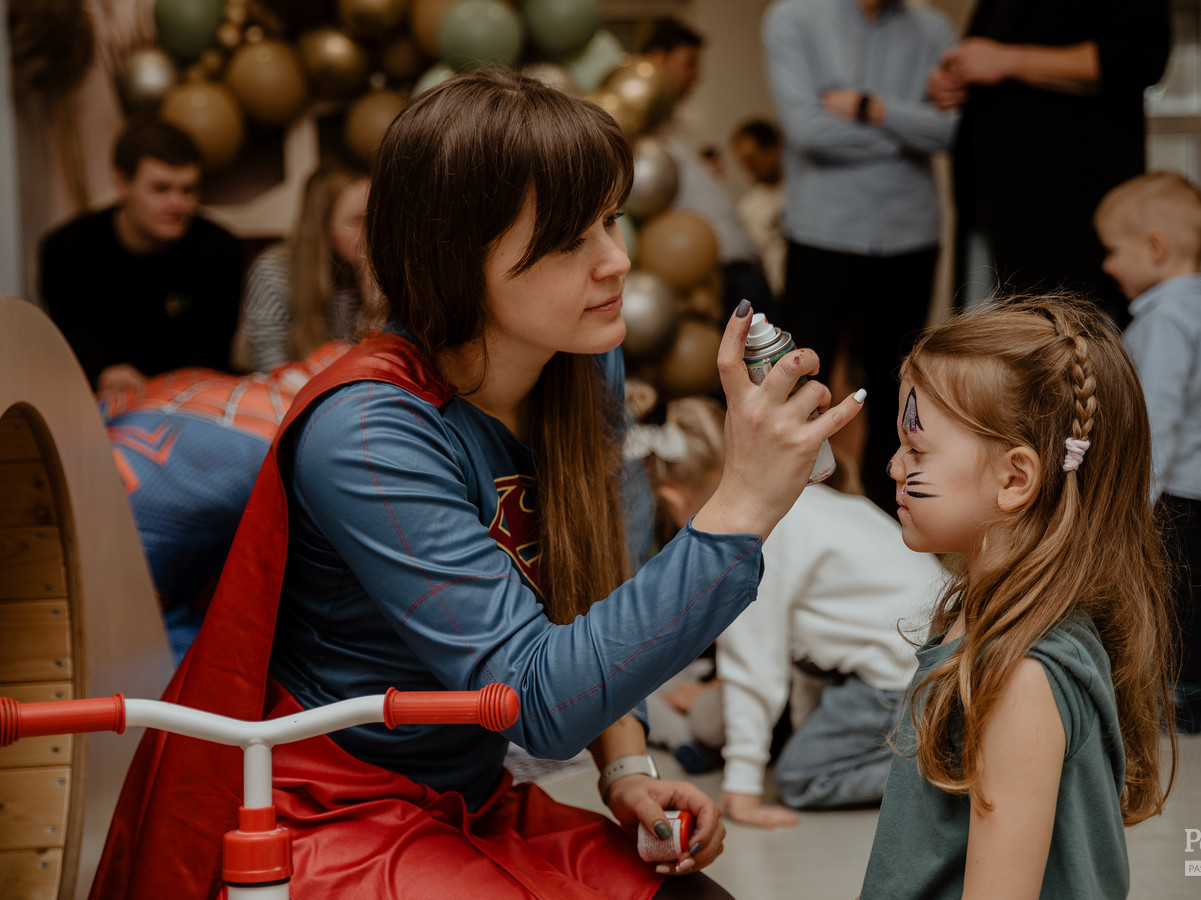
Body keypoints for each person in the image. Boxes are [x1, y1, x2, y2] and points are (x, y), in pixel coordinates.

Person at [90, 70, 864, 900]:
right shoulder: (368, 432)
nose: (617, 260)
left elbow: (588, 590)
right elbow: (535, 702)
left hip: (467, 797)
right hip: (323, 808)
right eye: (569, 240)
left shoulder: (579, 364)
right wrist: (741, 503)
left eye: (611, 220)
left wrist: (626, 769)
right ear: (454, 256)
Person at [860, 295, 1174, 899]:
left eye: (916, 449)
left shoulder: (1020, 675)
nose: (894, 466)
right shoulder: (982, 619)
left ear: (1014, 478)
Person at [637, 397, 944, 828]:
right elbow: (805, 662)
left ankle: (951, 772)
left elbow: (755, 668)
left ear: (671, 497)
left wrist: (741, 788)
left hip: (907, 677)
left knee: (801, 778)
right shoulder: (798, 504)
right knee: (783, 742)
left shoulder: (750, 538)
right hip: (932, 658)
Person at [763, 0, 959, 518]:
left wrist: (871, 108)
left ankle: (893, 523)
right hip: (821, 233)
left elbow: (951, 132)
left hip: (911, 235)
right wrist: (906, 135)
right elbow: (806, 130)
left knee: (902, 389)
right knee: (801, 384)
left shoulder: (934, 29)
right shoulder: (793, 18)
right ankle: (795, 520)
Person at [1094, 173, 1201, 733]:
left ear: (1155, 248)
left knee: (1175, 598)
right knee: (1197, 592)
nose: (1107, 265)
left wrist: (1134, 498)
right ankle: (1198, 688)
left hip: (1170, 489)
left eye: (1114, 250)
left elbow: (1155, 419)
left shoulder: (1164, 323)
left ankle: (1181, 694)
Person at [927, 0, 1171, 326]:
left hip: (1067, 213)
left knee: (1064, 340)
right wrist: (956, 82)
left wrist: (1008, 60)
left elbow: (1138, 56)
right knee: (983, 344)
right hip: (989, 205)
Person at [39, 118, 243, 398]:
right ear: (121, 184)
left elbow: (210, 354)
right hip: (92, 398)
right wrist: (107, 379)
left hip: (191, 399)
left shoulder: (220, 249)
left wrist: (147, 386)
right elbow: (74, 350)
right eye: (161, 189)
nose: (177, 204)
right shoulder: (67, 250)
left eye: (188, 190)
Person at [643, 17, 776, 320]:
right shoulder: (642, 137)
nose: (697, 77)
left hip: (743, 271)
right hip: (723, 274)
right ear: (658, 58)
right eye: (689, 64)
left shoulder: (671, 132)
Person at [239, 162, 371, 372]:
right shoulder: (274, 270)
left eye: (374, 219)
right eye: (358, 221)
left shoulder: (370, 270)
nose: (371, 233)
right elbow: (271, 365)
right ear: (323, 227)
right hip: (295, 385)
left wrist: (374, 295)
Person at [729, 119, 787, 301]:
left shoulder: (805, 193)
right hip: (776, 300)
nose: (749, 168)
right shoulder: (746, 208)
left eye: (752, 159)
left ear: (774, 150)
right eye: (743, 163)